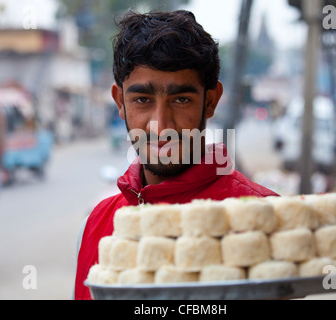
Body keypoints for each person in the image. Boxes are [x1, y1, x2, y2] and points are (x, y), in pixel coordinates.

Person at [73, 10, 279, 300]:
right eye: (142, 100)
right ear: (120, 102)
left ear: (211, 101)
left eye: (181, 100)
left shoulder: (266, 218)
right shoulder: (99, 222)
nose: (161, 125)